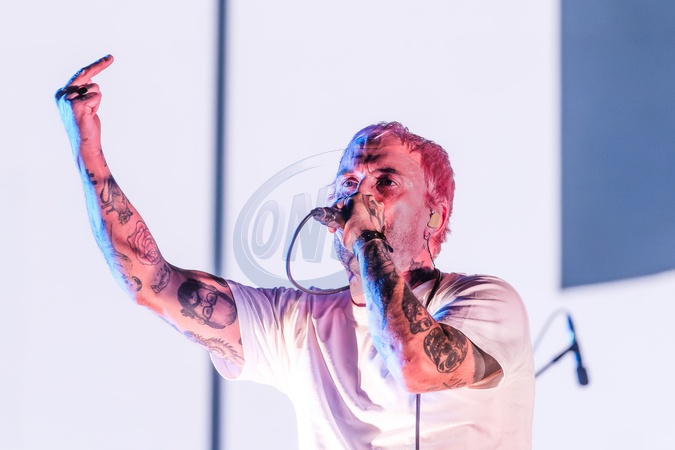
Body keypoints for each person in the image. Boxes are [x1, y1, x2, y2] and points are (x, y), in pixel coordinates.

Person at [56, 56, 534, 450]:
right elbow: (151, 283)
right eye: (349, 182)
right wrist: (87, 149)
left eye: (386, 182)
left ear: (435, 216)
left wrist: (367, 238)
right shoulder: (301, 323)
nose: (360, 195)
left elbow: (416, 363)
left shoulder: (485, 302)